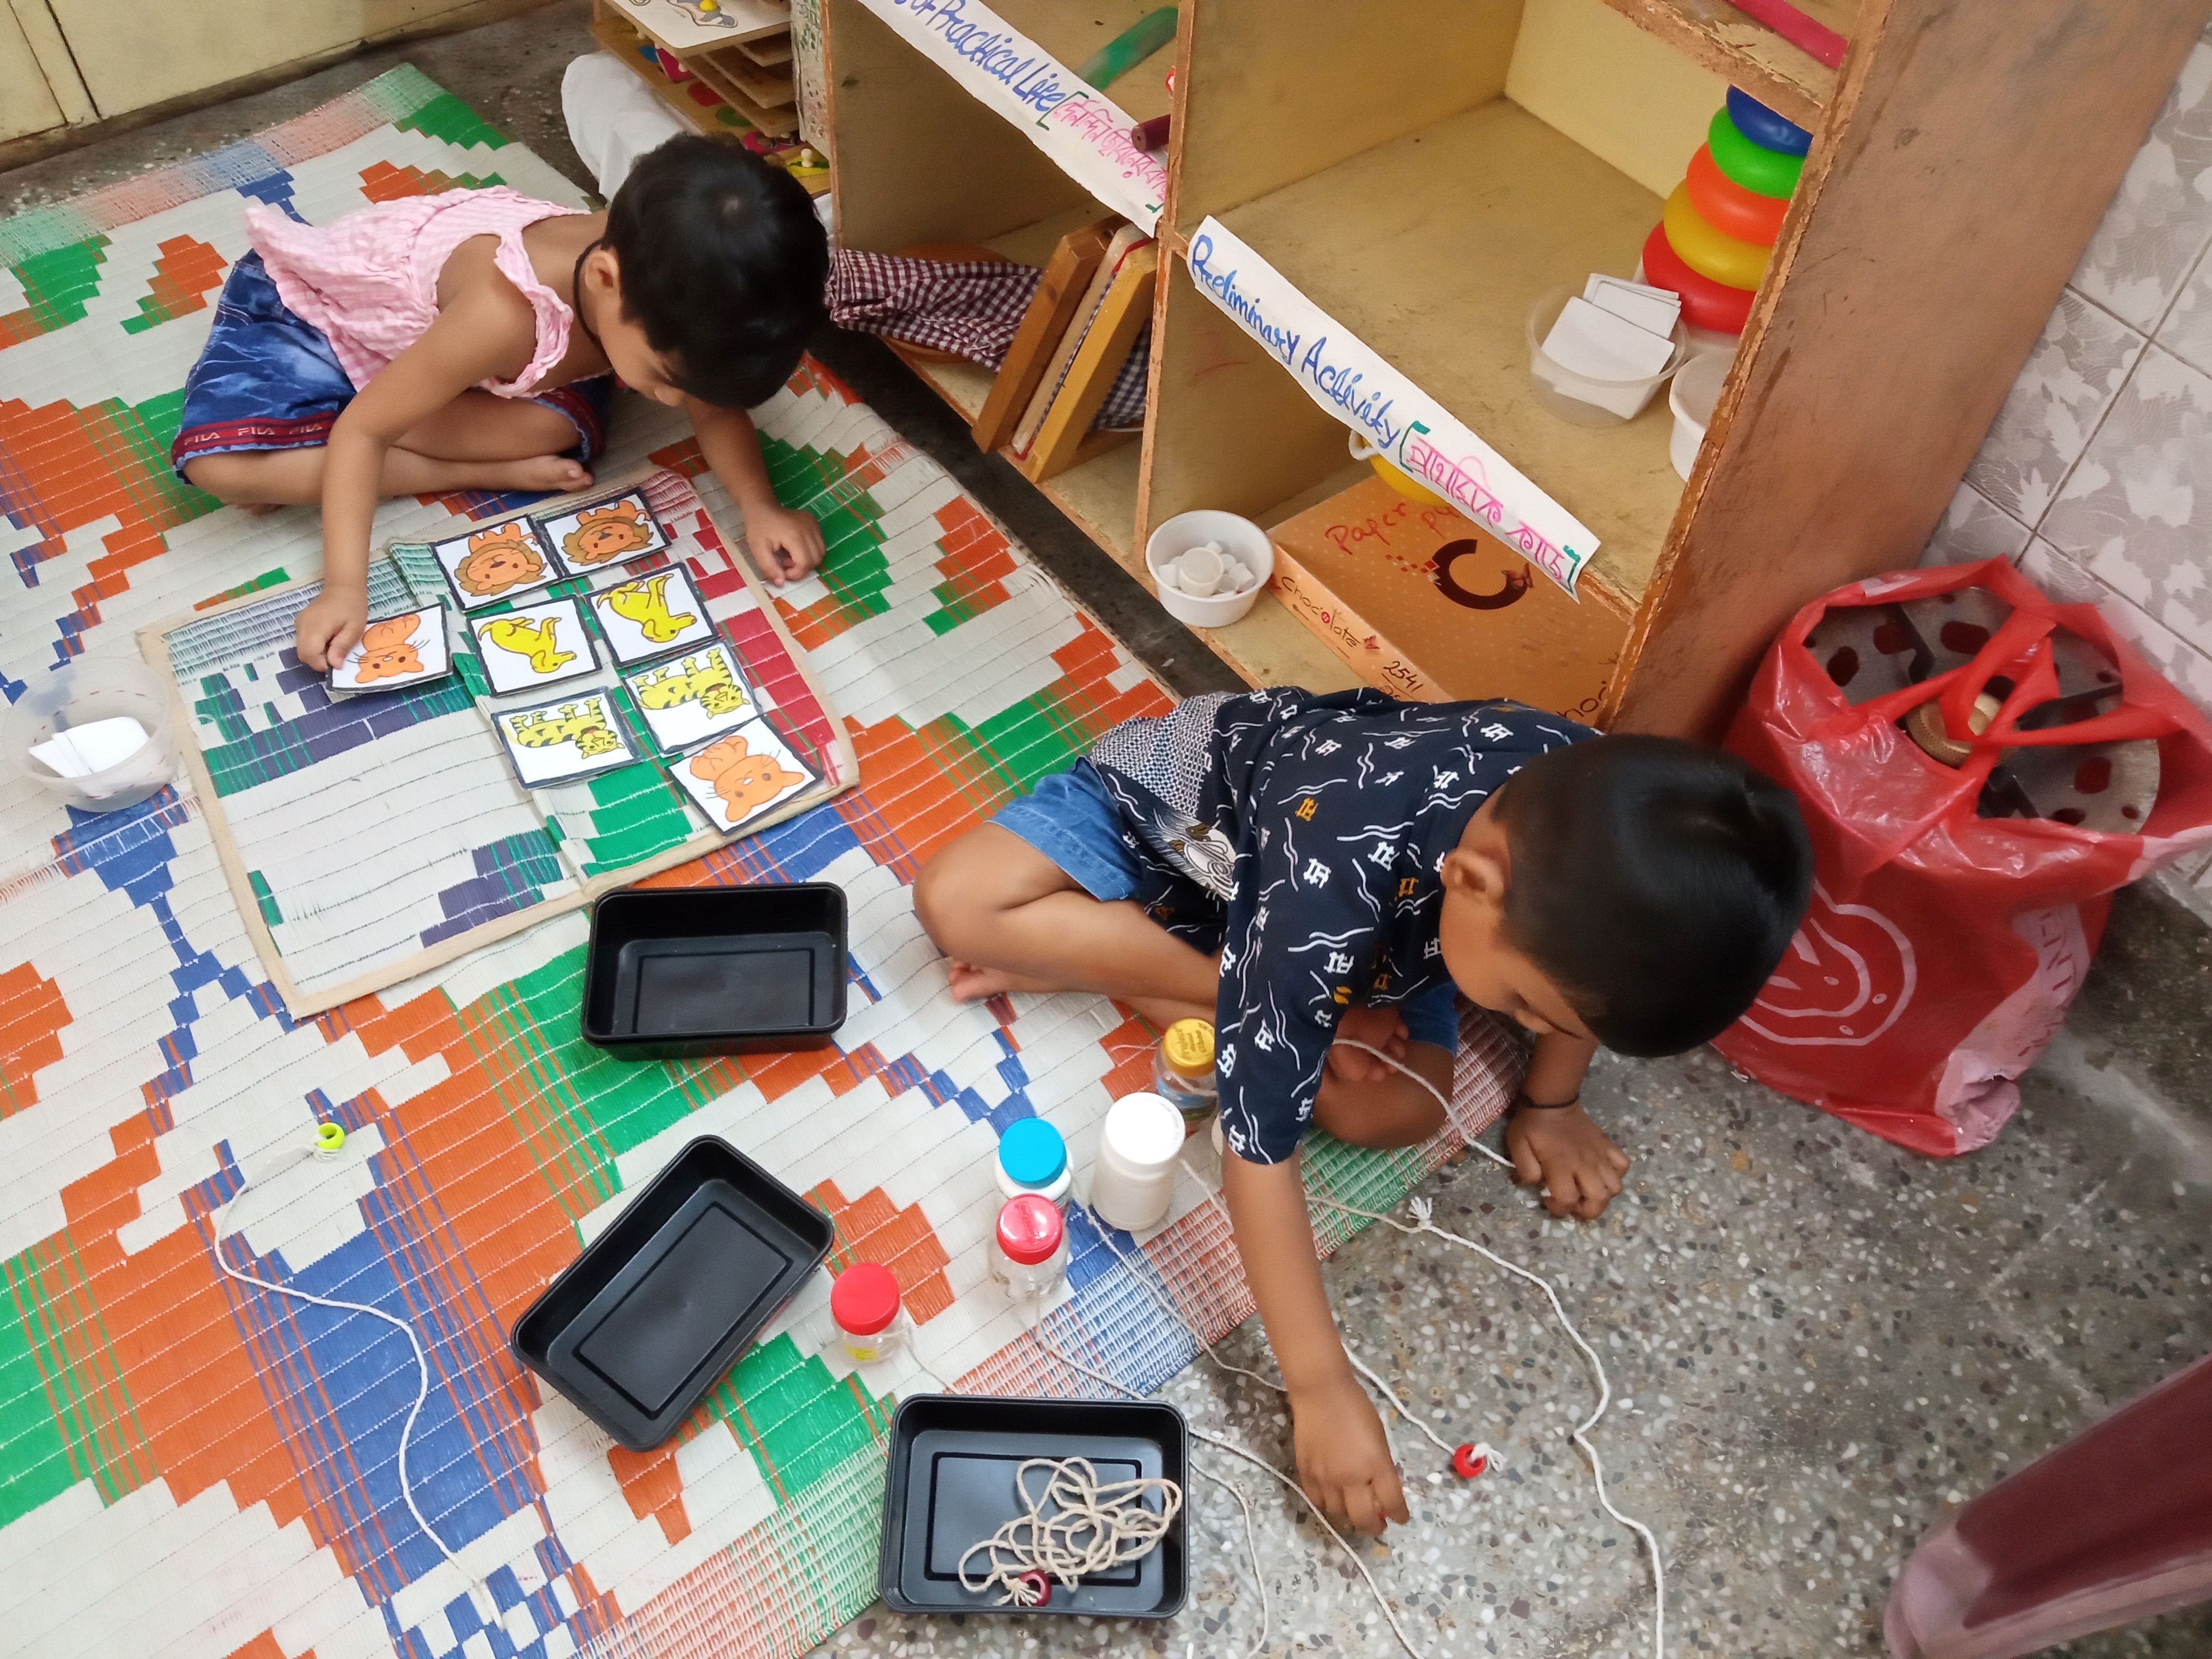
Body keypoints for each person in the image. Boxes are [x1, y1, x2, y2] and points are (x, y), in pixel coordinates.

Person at [914, 688, 1812, 1537]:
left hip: (1380, 941)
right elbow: (1258, 1152)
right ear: (1476, 879)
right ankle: (1209, 990)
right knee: (955, 903)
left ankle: (1157, 972)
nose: (1533, 1030)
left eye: (1551, 1026)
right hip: (1179, 824)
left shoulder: (1587, 792)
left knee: (1396, 1112)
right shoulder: (1332, 891)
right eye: (1530, 1011)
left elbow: (1576, 998)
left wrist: (1553, 1100)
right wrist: (1320, 1386)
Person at [171, 135, 832, 671]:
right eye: (664, 378)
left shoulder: (651, 264)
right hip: (319, 318)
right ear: (604, 278)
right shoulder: (502, 314)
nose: (671, 401)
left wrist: (759, 507)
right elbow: (363, 435)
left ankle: (419, 422)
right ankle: (461, 469)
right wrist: (344, 588)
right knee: (225, 473)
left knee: (551, 428)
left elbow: (713, 405)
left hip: (450, 366)